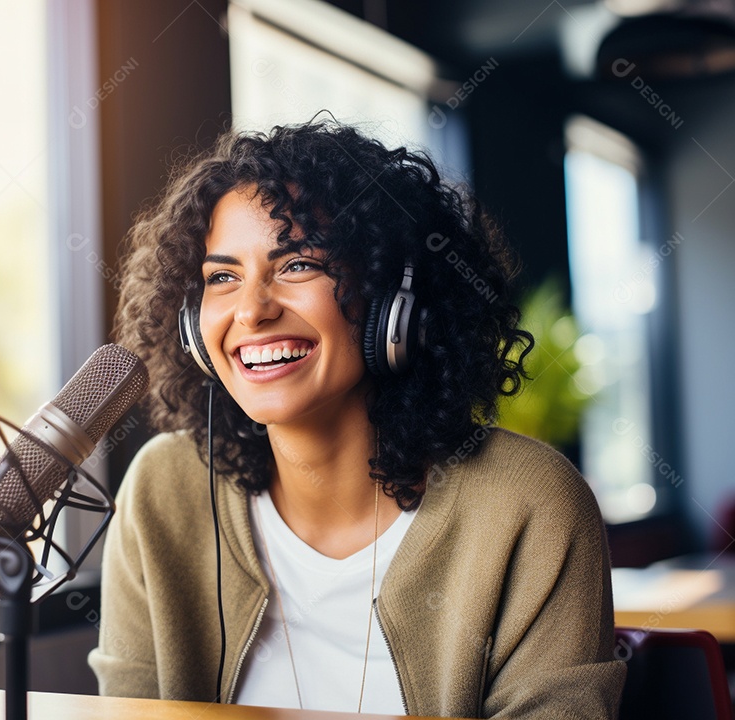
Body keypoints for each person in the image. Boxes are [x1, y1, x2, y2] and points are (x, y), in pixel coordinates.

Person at [88, 120, 626, 718]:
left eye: (296, 265)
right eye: (222, 277)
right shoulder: (164, 491)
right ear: (193, 326)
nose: (252, 310)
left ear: (394, 307)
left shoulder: (527, 504)